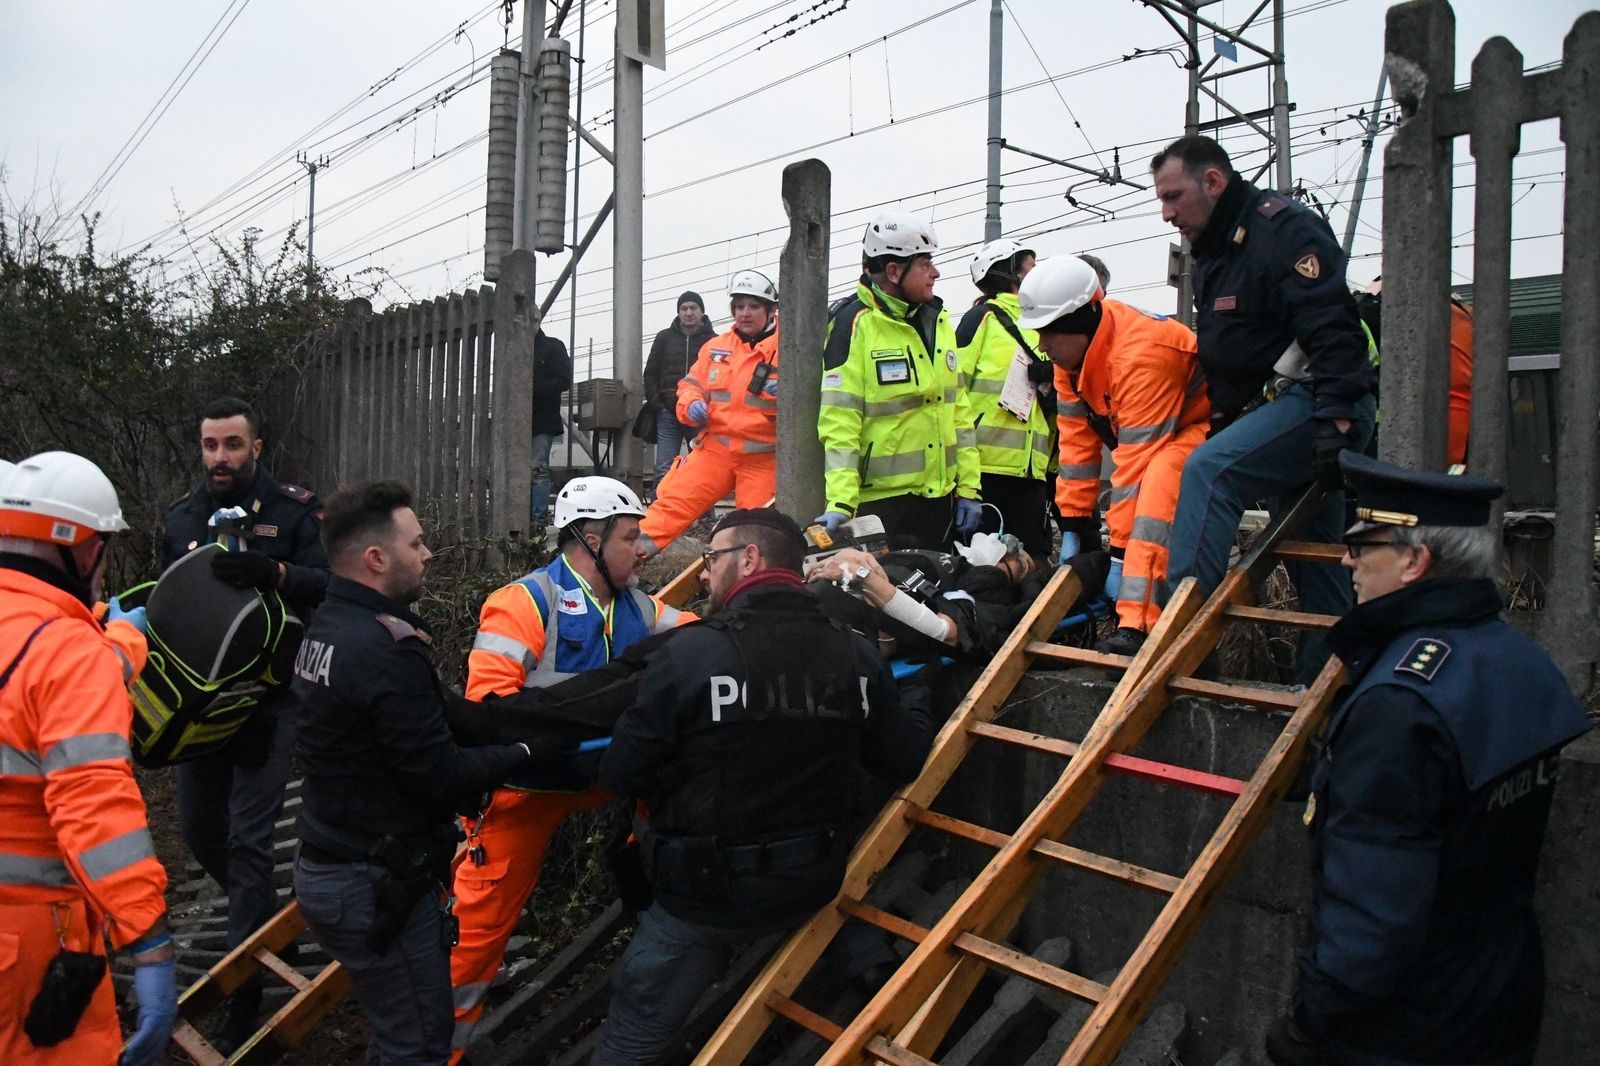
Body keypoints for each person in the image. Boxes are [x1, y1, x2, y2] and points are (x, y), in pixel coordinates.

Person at [1265, 452, 1590, 1066]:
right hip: (1500, 997)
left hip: (1401, 1027)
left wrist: (1311, 1022)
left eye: (1364, 545)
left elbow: (1375, 908)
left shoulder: (1399, 705)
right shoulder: (1515, 660)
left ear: (1415, 561)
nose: (1346, 560)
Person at [589, 509, 932, 1065]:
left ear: (748, 560)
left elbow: (620, 775)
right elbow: (904, 758)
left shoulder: (691, 653)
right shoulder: (856, 655)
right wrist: (915, 692)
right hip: (809, 884)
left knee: (634, 1038)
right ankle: (857, 952)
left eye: (710, 560)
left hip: (701, 900)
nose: (703, 575)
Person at [291, 480, 536, 1064]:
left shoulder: (328, 626)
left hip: (332, 863)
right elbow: (442, 775)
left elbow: (442, 715)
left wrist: (507, 722)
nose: (427, 554)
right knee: (419, 1043)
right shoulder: (385, 651)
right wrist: (525, 757)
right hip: (373, 880)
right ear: (377, 559)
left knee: (396, 1028)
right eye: (417, 543)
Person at [449, 476, 692, 1061]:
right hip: (522, 793)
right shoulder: (524, 603)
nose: (643, 549)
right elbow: (489, 714)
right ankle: (437, 1050)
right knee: (474, 938)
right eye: (632, 537)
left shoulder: (640, 607)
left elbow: (708, 640)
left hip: (601, 779)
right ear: (591, 536)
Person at [1150, 136, 1376, 677]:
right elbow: (1235, 354)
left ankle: (1180, 644)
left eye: (1174, 197)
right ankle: (1325, 685)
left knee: (1209, 472)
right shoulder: (1212, 254)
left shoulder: (1282, 229)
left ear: (1213, 181)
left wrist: (1337, 417)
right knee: (1314, 550)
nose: (1166, 214)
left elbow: (1331, 323)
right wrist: (1225, 422)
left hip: (1317, 400)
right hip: (1279, 407)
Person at [157, 395, 329, 1048]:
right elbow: (164, 607)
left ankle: (241, 995)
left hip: (269, 703)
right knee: (204, 832)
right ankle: (264, 921)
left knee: (251, 840)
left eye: (232, 445)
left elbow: (331, 586)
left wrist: (277, 572)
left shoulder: (294, 511)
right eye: (210, 446)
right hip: (202, 706)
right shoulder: (182, 519)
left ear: (256, 448)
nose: (220, 458)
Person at [0, 451, 176, 1066]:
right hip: (26, 944)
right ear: (78, 545)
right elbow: (96, 814)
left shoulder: (55, 640)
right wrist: (148, 940)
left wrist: (122, 639)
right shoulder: (70, 652)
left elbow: (38, 694)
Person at [1017, 255, 1210, 656]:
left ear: (1078, 323)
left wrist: (1121, 555)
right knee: (1144, 480)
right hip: (1150, 440)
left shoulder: (1141, 355)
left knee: (1156, 489)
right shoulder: (1070, 362)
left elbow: (1135, 468)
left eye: (1049, 333)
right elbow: (1076, 447)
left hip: (1198, 427)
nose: (1042, 345)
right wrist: (1073, 524)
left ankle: (1138, 624)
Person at [817, 210, 982, 550]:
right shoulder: (853, 324)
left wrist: (969, 488)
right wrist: (841, 503)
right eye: (925, 264)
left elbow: (959, 412)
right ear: (894, 271)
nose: (935, 273)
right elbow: (840, 421)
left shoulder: (939, 322)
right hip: (879, 508)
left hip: (940, 499)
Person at [637, 270, 781, 559]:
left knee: (755, 533)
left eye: (753, 306)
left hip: (763, 460)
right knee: (670, 506)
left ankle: (745, 587)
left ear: (771, 310)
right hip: (715, 450)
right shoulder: (716, 347)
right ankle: (622, 561)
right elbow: (690, 385)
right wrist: (690, 404)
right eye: (739, 306)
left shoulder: (789, 347)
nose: (745, 314)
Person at [805, 532, 1060, 663]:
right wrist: (850, 559)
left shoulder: (987, 593)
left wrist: (865, 579)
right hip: (820, 606)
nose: (1004, 549)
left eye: (1018, 566)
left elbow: (944, 632)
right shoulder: (945, 563)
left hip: (838, 627)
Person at [953, 238, 1057, 559]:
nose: (1038, 272)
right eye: (1030, 266)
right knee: (985, 568)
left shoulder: (1043, 322)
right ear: (1010, 273)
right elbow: (952, 390)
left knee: (1032, 564)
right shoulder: (982, 319)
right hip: (985, 472)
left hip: (1033, 473)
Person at [642, 291, 718, 490]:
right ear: (678, 312)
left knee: (703, 467)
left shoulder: (715, 341)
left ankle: (706, 519)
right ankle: (658, 517)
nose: (689, 312)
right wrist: (658, 405)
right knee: (664, 468)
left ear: (702, 312)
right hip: (668, 412)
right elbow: (650, 373)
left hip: (700, 414)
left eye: (693, 308)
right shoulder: (664, 338)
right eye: (684, 308)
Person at [530, 322, 573, 524]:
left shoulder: (553, 347)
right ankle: (532, 516)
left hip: (542, 417)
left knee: (537, 468)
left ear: (537, 322)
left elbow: (564, 380)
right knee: (532, 469)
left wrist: (534, 387)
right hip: (524, 420)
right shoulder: (516, 347)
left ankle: (538, 519)